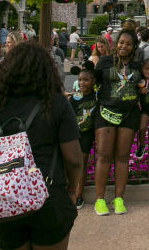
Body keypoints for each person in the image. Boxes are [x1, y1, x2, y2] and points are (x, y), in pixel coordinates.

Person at [0, 42, 82, 249]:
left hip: (3, 200)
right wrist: (72, 189)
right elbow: (73, 159)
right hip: (49, 195)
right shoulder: (56, 103)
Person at [92, 23, 142, 215]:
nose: (124, 46)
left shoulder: (137, 66)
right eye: (121, 42)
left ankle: (119, 198)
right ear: (116, 43)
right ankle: (99, 199)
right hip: (106, 114)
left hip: (129, 115)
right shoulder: (104, 62)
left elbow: (147, 83)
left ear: (133, 47)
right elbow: (91, 82)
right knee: (104, 156)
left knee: (122, 157)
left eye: (128, 44)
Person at [68, 65, 97, 210]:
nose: (81, 83)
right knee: (72, 164)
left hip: (88, 134)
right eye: (79, 80)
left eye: (85, 80)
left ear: (92, 81)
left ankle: (79, 194)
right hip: (75, 135)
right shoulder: (74, 98)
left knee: (82, 164)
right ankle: (70, 192)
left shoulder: (96, 97)